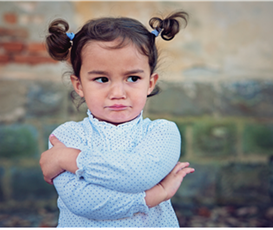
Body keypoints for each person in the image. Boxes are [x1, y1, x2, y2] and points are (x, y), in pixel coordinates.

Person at [40, 11, 195, 227]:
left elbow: (139, 174)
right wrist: (153, 196)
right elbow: (83, 202)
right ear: (79, 85)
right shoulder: (65, 137)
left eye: (133, 78)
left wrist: (70, 159)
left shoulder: (162, 132)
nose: (117, 92)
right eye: (102, 79)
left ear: (150, 83)